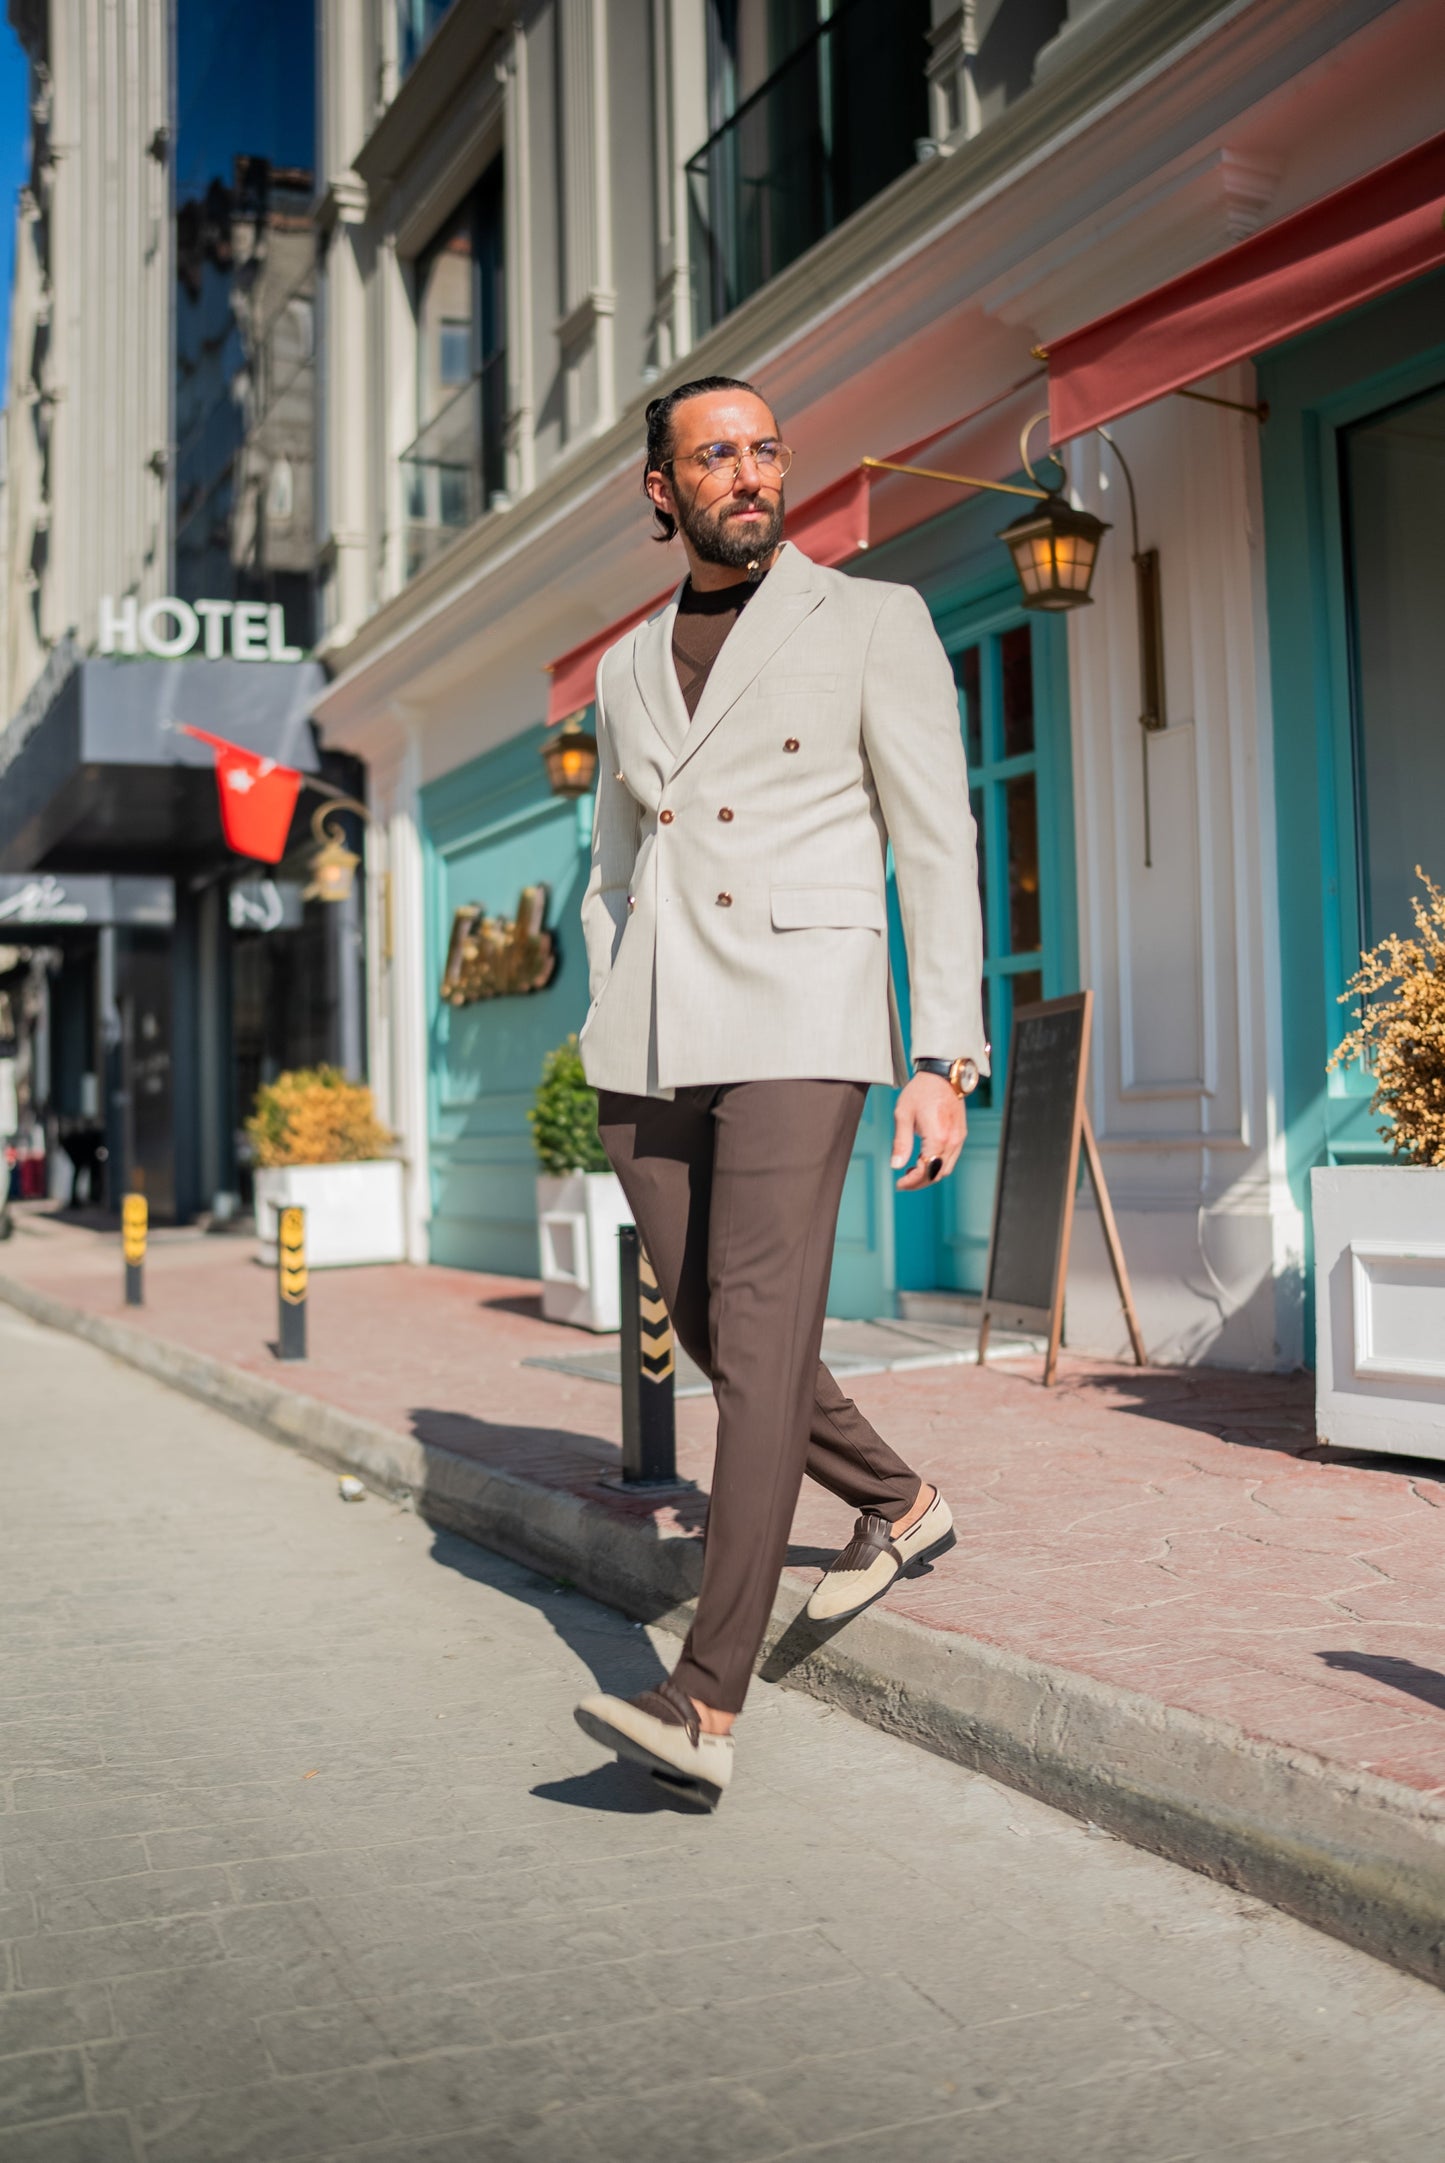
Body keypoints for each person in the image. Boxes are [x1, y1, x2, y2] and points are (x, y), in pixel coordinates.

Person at [573, 375, 987, 1805]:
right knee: (706, 1322)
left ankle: (704, 1698)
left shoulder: (872, 622)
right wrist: (598, 1010)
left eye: (763, 451)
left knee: (752, 1344)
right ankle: (896, 1503)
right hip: (653, 1040)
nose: (749, 474)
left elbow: (936, 845)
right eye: (716, 455)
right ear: (661, 490)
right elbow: (613, 868)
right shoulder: (626, 666)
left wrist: (942, 1056)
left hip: (806, 1017)